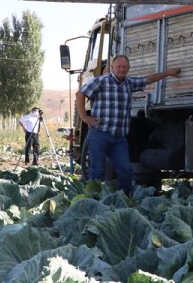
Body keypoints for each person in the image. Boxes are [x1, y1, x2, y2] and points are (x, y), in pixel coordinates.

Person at [75, 55, 181, 194]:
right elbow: (80, 94)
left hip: (119, 138)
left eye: (124, 67)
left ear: (128, 68)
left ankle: (124, 198)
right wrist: (84, 116)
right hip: (100, 134)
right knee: (97, 170)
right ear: (112, 68)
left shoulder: (129, 83)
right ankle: (93, 200)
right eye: (118, 66)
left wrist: (168, 73)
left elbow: (148, 79)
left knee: (125, 169)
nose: (121, 69)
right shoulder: (100, 81)